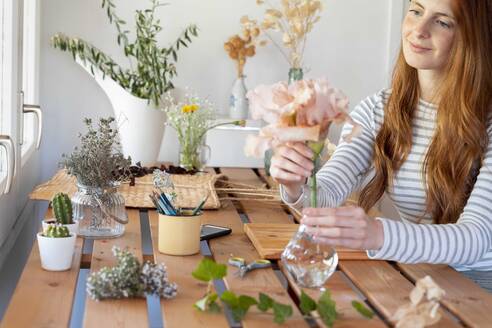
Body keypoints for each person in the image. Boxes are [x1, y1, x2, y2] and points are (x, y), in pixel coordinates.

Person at [270, 0, 492, 291]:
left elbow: (478, 238)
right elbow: (326, 194)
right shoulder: (379, 109)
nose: (419, 30)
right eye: (416, 11)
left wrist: (377, 234)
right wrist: (294, 184)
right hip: (417, 274)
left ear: (472, 37)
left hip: (480, 287)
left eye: (442, 22)